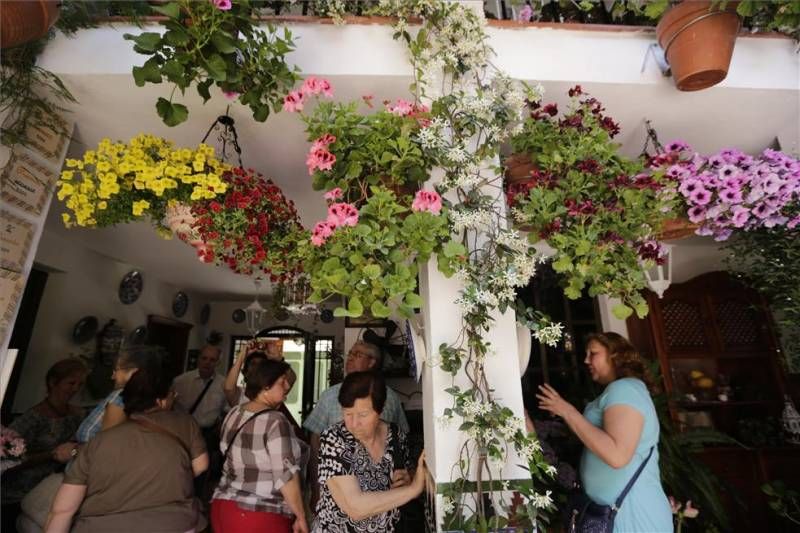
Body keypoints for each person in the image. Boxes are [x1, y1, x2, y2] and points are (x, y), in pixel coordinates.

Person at [44, 357, 209, 533]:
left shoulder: (96, 444)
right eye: (172, 394)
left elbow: (62, 511)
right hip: (176, 524)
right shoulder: (185, 422)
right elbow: (201, 465)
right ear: (160, 401)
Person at [536, 332, 672, 532]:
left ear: (615, 356)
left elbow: (616, 455)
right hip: (617, 512)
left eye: (593, 353)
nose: (586, 360)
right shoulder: (622, 390)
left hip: (632, 514)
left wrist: (567, 410)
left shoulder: (624, 389)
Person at [313, 371, 426, 533]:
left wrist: (408, 480)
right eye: (348, 413)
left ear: (380, 410)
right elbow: (355, 508)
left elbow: (405, 484)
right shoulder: (334, 439)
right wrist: (413, 489)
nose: (354, 423)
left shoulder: (396, 436)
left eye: (363, 415)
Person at [304, 341, 409, 505]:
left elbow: (401, 443)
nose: (350, 358)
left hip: (384, 502)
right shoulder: (330, 396)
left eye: (357, 355)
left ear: (372, 362)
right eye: (350, 353)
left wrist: (406, 479)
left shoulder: (391, 398)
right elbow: (315, 440)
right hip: (338, 498)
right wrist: (316, 487)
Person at [211, 359, 309, 533]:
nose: (287, 386)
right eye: (282, 381)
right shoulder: (276, 421)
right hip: (260, 513)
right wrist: (301, 516)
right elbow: (285, 476)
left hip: (223, 507)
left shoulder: (235, 412)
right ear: (266, 386)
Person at [1, 359, 87, 530]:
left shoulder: (78, 415)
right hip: (18, 495)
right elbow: (7, 460)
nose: (75, 389)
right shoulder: (32, 418)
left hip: (53, 490)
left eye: (80, 384)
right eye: (70, 383)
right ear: (53, 383)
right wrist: (52, 454)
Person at [172, 344, 226, 499]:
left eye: (212, 360)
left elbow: (226, 409)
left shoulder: (223, 384)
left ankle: (195, 502)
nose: (207, 363)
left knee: (201, 473)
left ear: (218, 363)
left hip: (206, 435)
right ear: (198, 359)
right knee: (179, 470)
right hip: (182, 433)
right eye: (204, 358)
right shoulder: (181, 381)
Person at [74, 346, 155, 444]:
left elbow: (105, 442)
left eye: (116, 370)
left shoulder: (120, 396)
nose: (113, 376)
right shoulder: (138, 397)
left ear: (133, 372)